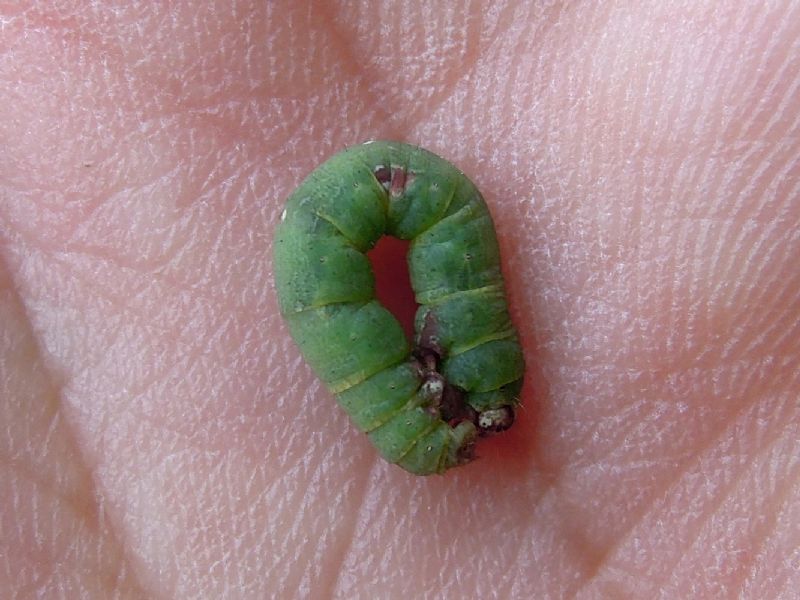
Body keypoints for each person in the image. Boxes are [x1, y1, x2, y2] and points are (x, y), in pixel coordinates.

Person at [1, 2, 797, 597]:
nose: (461, 412)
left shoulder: (416, 267)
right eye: (472, 401)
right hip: (373, 214)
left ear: (423, 383)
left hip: (391, 209)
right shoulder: (393, 301)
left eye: (450, 412)